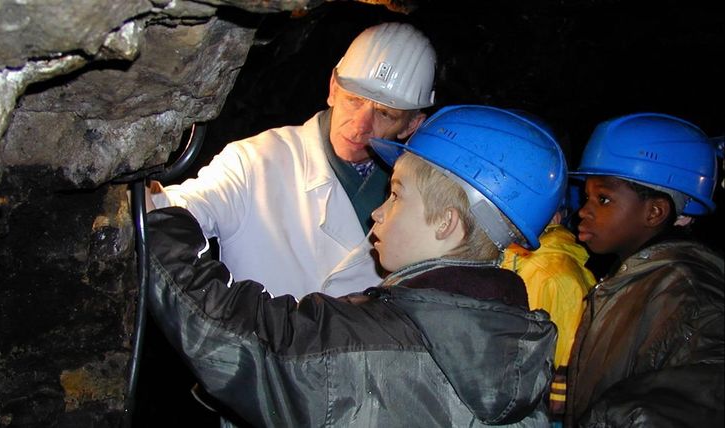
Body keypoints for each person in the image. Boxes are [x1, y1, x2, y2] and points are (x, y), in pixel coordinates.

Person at [144, 105, 569, 426]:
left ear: (446, 223)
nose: (377, 214)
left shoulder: (378, 346)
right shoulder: (519, 352)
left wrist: (157, 226)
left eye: (398, 193)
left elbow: (244, 338)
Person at [146, 22, 436, 298]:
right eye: (354, 100)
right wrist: (143, 198)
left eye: (385, 114)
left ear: (412, 125)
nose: (360, 126)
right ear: (333, 88)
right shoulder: (256, 162)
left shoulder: (426, 200)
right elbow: (177, 210)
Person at [564, 112, 725, 427]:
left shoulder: (687, 288)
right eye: (587, 196)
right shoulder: (637, 276)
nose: (583, 210)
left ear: (654, 211)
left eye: (604, 199)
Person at [501, 189, 595, 426]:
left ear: (554, 217)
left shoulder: (552, 273)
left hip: (540, 410)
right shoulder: (518, 257)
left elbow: (563, 365)